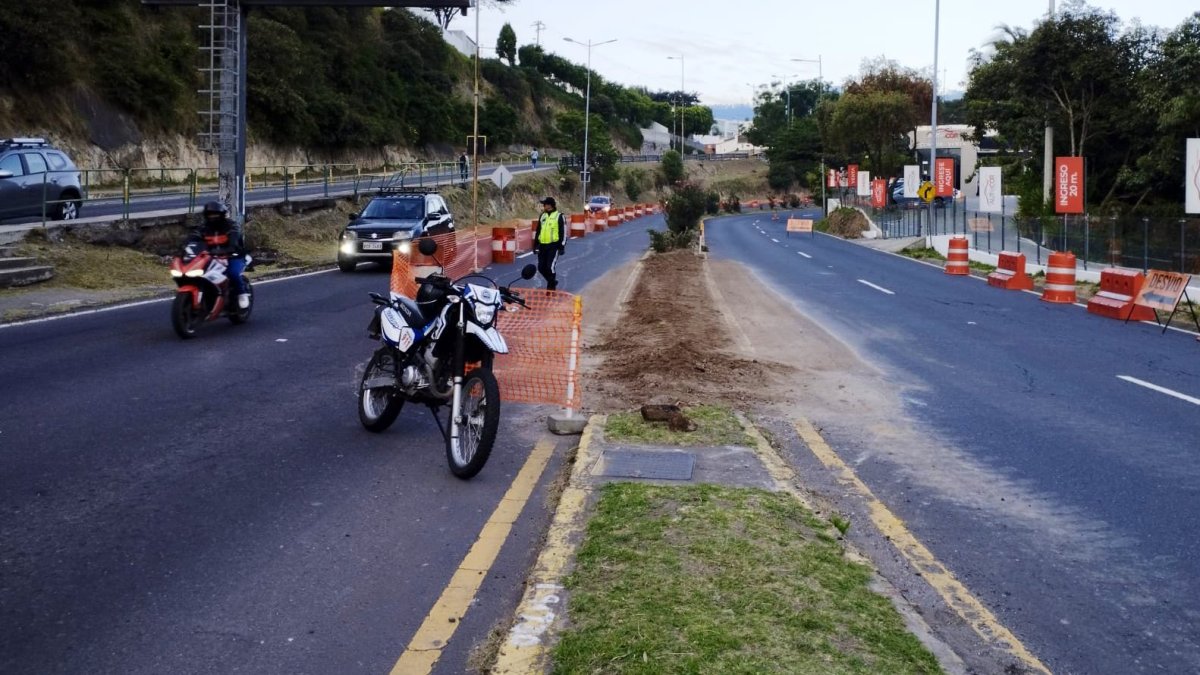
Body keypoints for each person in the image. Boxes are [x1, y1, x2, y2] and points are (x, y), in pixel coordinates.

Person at [186, 200, 249, 309]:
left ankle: (242, 294)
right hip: (211, 256)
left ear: (222, 215)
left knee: (233, 273)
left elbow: (234, 243)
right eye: (210, 215)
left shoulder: (231, 226)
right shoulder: (203, 228)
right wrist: (186, 247)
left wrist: (228, 249)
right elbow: (193, 238)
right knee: (197, 271)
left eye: (215, 214)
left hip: (233, 256)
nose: (213, 217)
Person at [533, 196, 566, 291]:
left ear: (550, 205)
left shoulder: (559, 216)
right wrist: (535, 245)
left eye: (545, 204)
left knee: (550, 267)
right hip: (542, 245)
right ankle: (552, 281)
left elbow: (563, 232)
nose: (543, 206)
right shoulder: (542, 216)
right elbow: (538, 231)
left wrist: (562, 246)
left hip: (553, 246)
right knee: (541, 267)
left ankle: (551, 288)